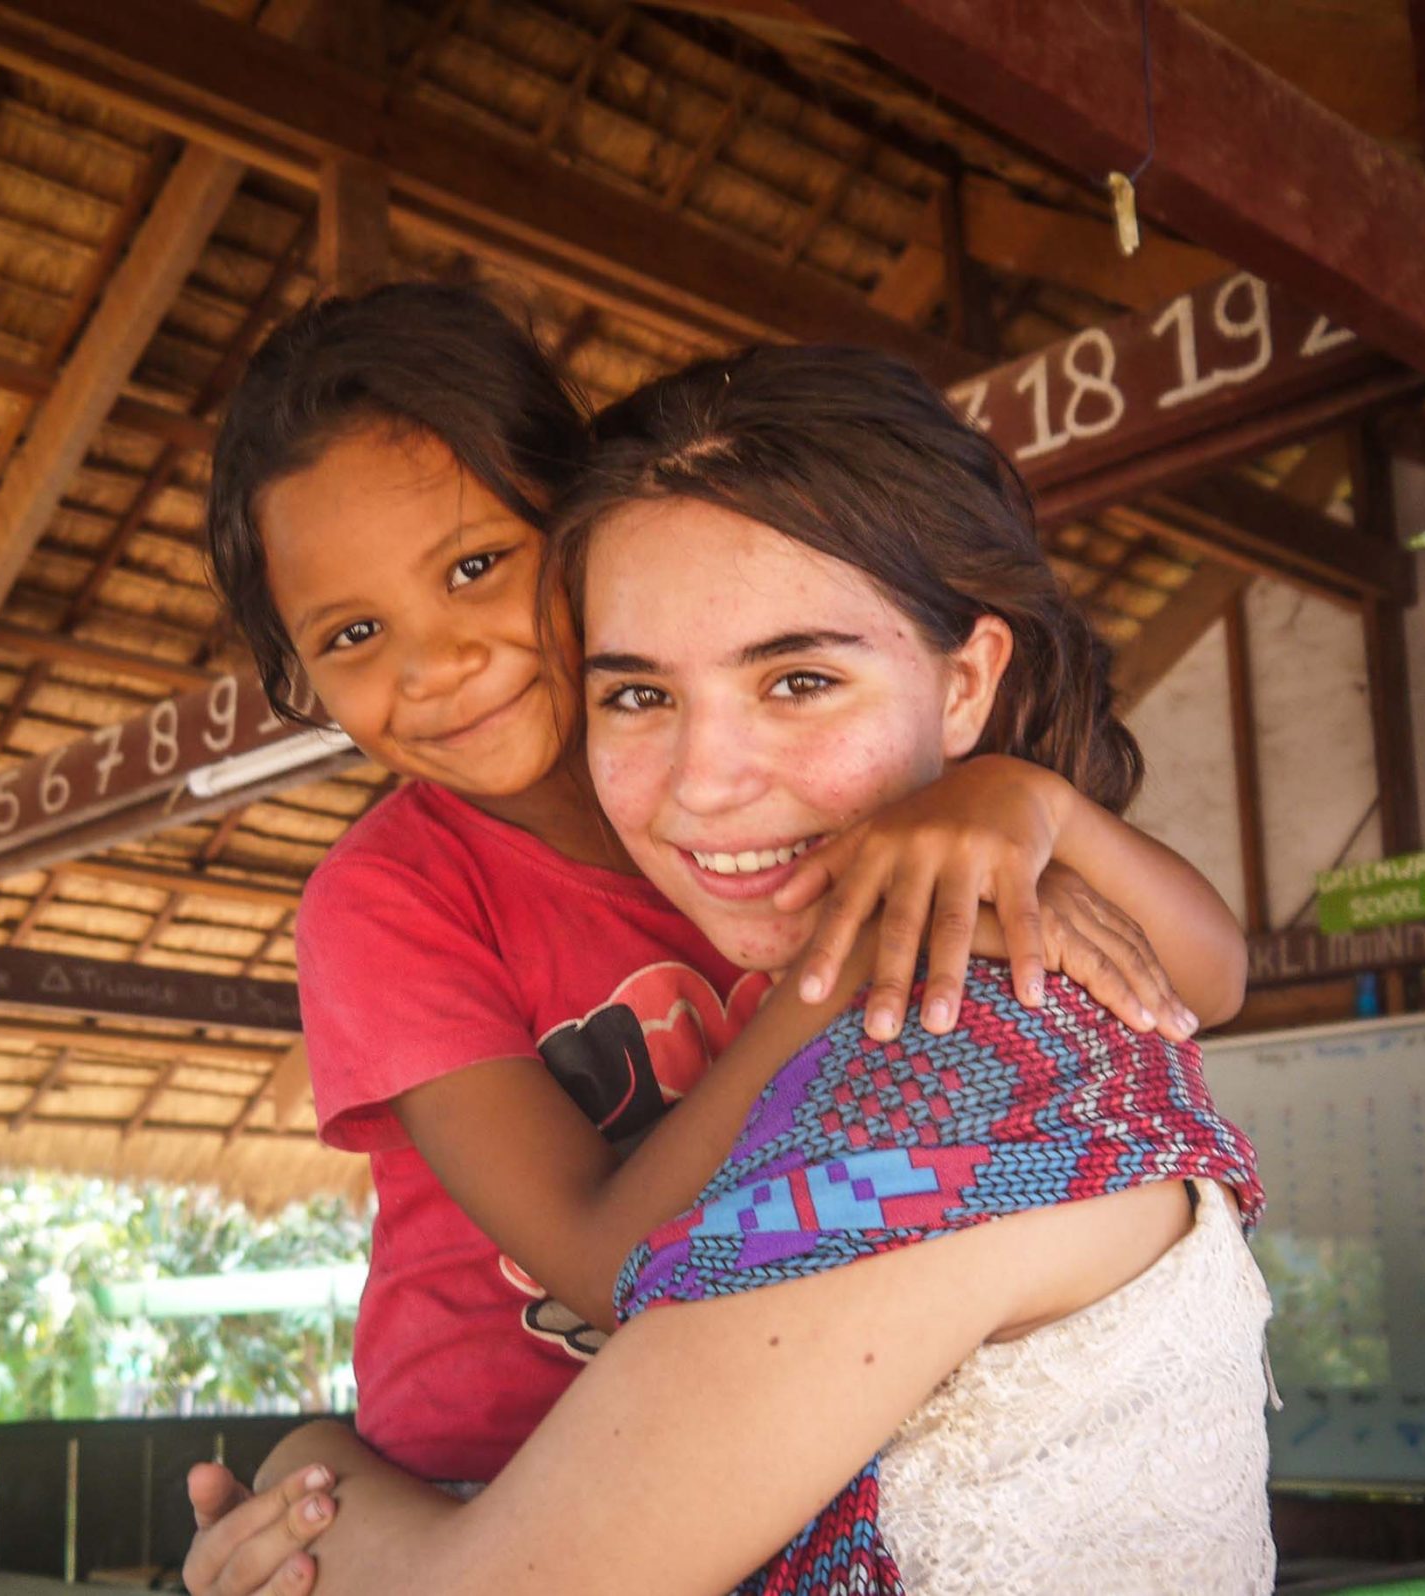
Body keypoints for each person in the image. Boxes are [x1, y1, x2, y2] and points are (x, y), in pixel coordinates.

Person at [183, 343, 1274, 1595]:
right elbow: (607, 1270)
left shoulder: (954, 989)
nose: (707, 785)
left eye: (799, 679)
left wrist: (1029, 805)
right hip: (480, 1460)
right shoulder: (416, 893)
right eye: (637, 696)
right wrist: (844, 946)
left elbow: (1200, 974)